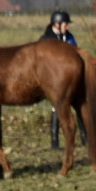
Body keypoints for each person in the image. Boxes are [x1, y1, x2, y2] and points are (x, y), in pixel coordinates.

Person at [39, 10, 82, 150]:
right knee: (56, 107)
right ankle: (54, 141)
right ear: (56, 24)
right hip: (53, 80)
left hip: (68, 78)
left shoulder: (69, 38)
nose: (67, 27)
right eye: (65, 24)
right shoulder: (45, 40)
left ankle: (84, 138)